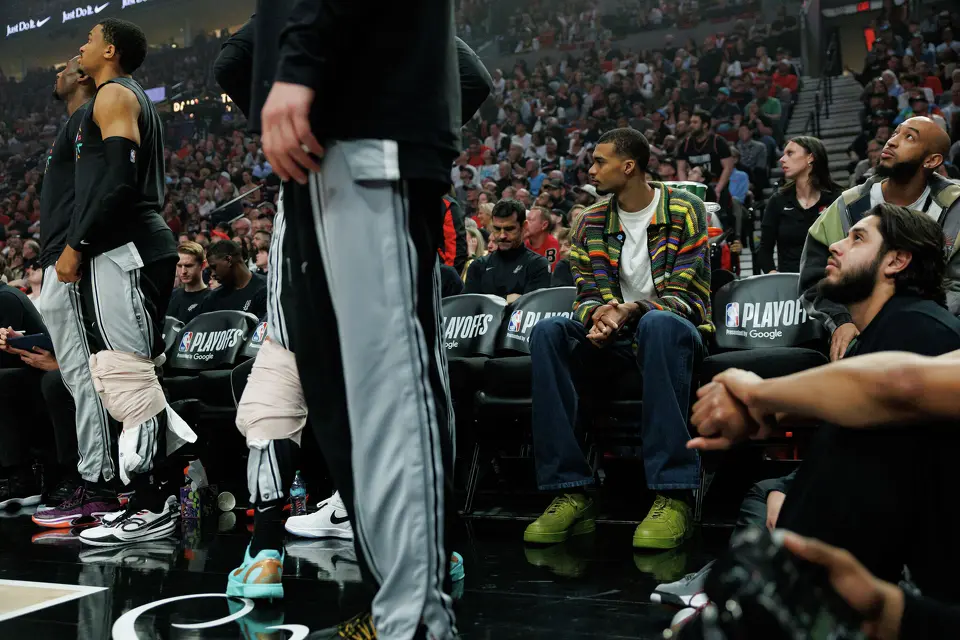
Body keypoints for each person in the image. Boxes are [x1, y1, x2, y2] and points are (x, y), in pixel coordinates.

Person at [256, 2, 485, 634]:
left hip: (364, 126)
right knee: (344, 403)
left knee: (385, 393)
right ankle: (394, 612)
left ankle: (414, 621)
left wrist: (301, 63)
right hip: (331, 134)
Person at [692, 204, 960, 600]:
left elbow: (893, 387)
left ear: (897, 261)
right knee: (767, 490)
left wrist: (755, 394)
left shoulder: (920, 326)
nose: (834, 245)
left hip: (903, 584)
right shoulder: (878, 333)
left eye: (858, 238)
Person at [523, 128, 712, 551]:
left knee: (657, 324)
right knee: (549, 332)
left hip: (673, 333)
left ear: (628, 167)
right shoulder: (589, 220)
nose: (590, 170)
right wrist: (599, 317)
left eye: (599, 162)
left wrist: (631, 310)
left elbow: (684, 295)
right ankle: (570, 491)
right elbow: (587, 293)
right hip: (615, 340)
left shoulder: (685, 209)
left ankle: (673, 494)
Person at [43, 18, 195, 543]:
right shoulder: (110, 96)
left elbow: (119, 184)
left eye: (88, 39)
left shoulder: (113, 95)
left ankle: (153, 504)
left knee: (127, 373)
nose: (80, 47)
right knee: (120, 371)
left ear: (109, 50)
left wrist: (76, 245)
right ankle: (153, 493)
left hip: (126, 247)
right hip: (121, 246)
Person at [798, 116, 959, 362]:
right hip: (861, 339)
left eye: (909, 137)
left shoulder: (955, 207)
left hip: (936, 340)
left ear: (932, 160)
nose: (892, 142)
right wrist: (840, 321)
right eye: (894, 133)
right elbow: (813, 278)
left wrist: (912, 325)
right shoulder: (849, 205)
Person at [756, 137, 842, 274]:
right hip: (789, 284)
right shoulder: (778, 201)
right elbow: (764, 250)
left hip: (827, 284)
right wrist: (773, 274)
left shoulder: (837, 199)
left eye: (790, 153)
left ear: (810, 158)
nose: (782, 159)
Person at [464, 199, 551, 301]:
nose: (502, 236)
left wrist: (489, 302)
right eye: (496, 229)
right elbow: (470, 308)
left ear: (524, 227)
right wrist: (506, 299)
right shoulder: (478, 266)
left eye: (509, 229)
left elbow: (531, 307)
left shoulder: (537, 265)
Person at [677, 111, 736, 229]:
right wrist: (685, 187)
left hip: (715, 184)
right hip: (695, 185)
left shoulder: (718, 142)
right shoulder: (686, 144)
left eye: (695, 122)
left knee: (720, 217)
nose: (691, 125)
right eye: (690, 122)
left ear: (705, 125)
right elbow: (681, 169)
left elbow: (728, 167)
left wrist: (718, 189)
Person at [193, 240, 267, 318]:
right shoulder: (212, 298)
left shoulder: (265, 289)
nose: (212, 274)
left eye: (214, 267)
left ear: (228, 260)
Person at [166, 241, 209, 323]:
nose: (183, 271)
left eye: (188, 266)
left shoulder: (211, 298)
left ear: (202, 265)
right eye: (179, 266)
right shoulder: (172, 296)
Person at [524, 205, 561, 272]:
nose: (525, 223)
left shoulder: (552, 245)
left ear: (544, 225)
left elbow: (550, 275)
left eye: (530, 220)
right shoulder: (523, 242)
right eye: (525, 220)